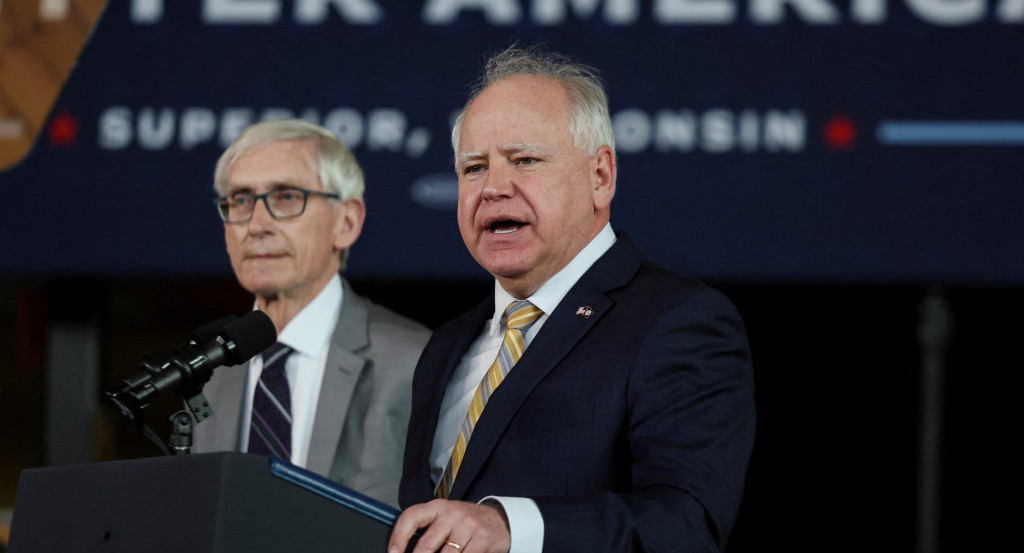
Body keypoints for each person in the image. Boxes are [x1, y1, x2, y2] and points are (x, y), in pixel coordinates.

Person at [388, 46, 755, 553]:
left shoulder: (676, 321)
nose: (493, 187)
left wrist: (512, 528)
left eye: (525, 160)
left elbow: (687, 524)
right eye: (473, 168)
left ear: (600, 176)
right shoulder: (447, 345)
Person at [192, 119, 431, 507]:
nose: (255, 225)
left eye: (286, 197)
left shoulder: (414, 362)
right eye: (239, 200)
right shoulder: (208, 371)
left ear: (347, 222)